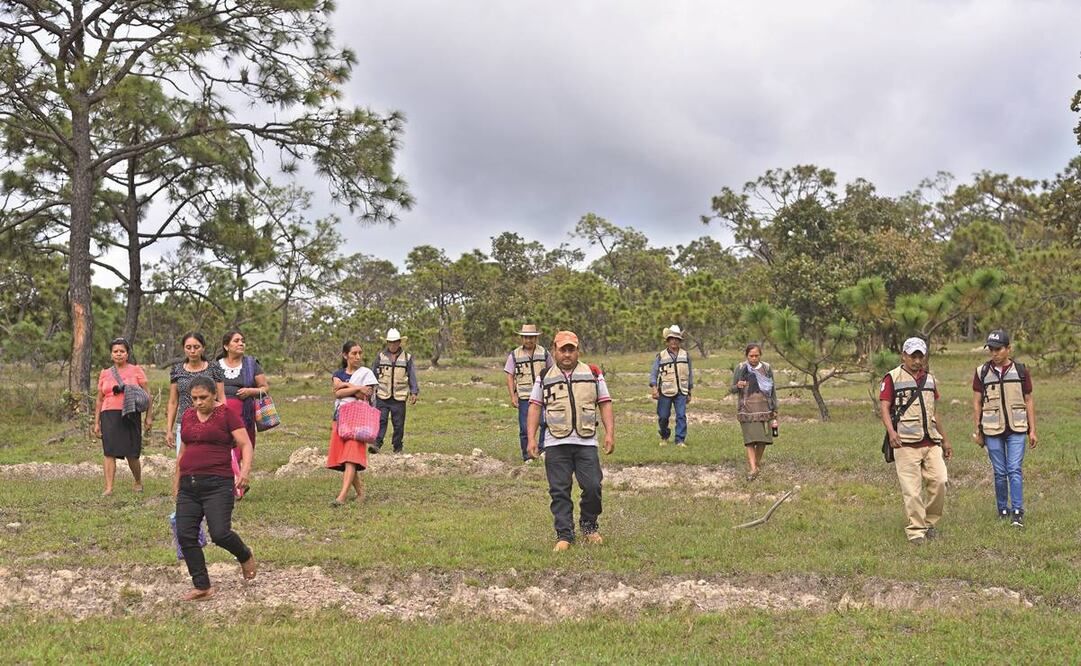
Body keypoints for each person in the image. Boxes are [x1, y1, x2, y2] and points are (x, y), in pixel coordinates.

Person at [526, 330, 615, 552]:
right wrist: (531, 439)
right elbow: (535, 407)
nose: (567, 354)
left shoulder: (593, 373)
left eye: (571, 350)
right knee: (559, 491)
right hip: (555, 442)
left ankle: (589, 527)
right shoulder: (544, 376)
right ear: (554, 350)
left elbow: (604, 402)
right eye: (562, 350)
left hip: (586, 442)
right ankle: (564, 535)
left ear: (578, 351)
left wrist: (609, 433)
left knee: (593, 486)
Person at [173, 375, 256, 600]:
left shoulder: (226, 414)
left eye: (203, 397)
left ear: (214, 395)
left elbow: (245, 444)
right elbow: (183, 451)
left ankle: (244, 554)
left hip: (218, 484)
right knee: (185, 534)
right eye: (194, 398)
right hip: (189, 484)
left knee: (220, 533)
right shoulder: (188, 415)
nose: (198, 402)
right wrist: (176, 483)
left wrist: (245, 472)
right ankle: (202, 586)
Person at [879, 337, 952, 544]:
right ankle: (916, 531)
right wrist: (891, 433)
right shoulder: (892, 377)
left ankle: (929, 523)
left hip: (931, 441)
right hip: (905, 443)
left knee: (940, 481)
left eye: (921, 356)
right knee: (912, 490)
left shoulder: (929, 379)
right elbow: (884, 407)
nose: (917, 361)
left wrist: (945, 440)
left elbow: (934, 412)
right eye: (913, 356)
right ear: (904, 355)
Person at [971, 329, 1037, 527]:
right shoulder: (982, 372)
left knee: (1014, 469)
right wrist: (978, 431)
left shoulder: (1021, 370)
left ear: (1009, 348)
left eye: (998, 349)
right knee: (1000, 472)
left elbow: (1028, 400)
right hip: (992, 429)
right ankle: (1002, 510)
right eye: (991, 349)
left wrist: (1032, 430)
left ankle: (1017, 512)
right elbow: (977, 403)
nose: (994, 353)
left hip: (1017, 428)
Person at [94, 337, 152, 496]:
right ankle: (109, 488)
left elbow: (147, 396)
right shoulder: (105, 373)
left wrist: (149, 417)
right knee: (109, 451)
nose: (118, 354)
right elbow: (99, 399)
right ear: (111, 354)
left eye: (122, 351)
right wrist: (96, 422)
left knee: (131, 452)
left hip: (130, 414)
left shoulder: (136, 370)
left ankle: (138, 481)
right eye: (115, 351)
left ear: (127, 354)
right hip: (108, 414)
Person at [216, 329, 269, 495]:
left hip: (244, 415)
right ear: (226, 346)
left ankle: (238, 484)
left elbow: (265, 388)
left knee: (241, 448)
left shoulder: (251, 364)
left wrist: (251, 391)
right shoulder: (216, 365)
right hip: (221, 413)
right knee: (225, 449)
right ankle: (235, 487)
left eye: (242, 340)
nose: (241, 343)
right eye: (236, 341)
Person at [327, 340, 378, 506]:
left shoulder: (367, 373)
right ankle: (361, 494)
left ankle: (341, 497)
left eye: (360, 353)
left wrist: (347, 386)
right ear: (345, 355)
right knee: (346, 457)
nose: (358, 356)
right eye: (354, 353)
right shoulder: (337, 374)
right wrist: (357, 388)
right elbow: (338, 394)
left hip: (358, 420)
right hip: (340, 418)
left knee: (351, 457)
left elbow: (365, 395)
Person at [166, 332, 226, 455]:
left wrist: (224, 420)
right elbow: (173, 401)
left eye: (196, 347)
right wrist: (169, 429)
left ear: (203, 348)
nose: (192, 351)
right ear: (183, 348)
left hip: (211, 421)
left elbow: (221, 397)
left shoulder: (214, 368)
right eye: (188, 347)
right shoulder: (177, 370)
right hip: (185, 422)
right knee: (184, 459)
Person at [504, 323, 553, 463]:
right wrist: (513, 396)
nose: (528, 340)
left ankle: (543, 450)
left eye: (531, 337)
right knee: (525, 428)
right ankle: (528, 456)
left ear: (536, 338)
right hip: (525, 397)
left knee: (545, 423)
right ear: (522, 338)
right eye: (526, 337)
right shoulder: (514, 355)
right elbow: (510, 376)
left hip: (543, 396)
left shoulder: (544, 353)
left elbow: (553, 371)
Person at [731, 343, 778, 481]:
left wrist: (775, 408)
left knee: (763, 439)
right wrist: (738, 386)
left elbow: (772, 389)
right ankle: (753, 468)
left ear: (760, 355)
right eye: (751, 356)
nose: (754, 358)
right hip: (746, 410)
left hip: (765, 409)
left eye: (756, 355)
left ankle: (756, 464)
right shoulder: (741, 368)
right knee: (750, 441)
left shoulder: (767, 368)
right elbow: (732, 388)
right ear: (747, 356)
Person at [370, 328, 419, 454]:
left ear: (399, 342)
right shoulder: (380, 356)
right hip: (382, 395)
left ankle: (397, 446)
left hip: (399, 397)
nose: (393, 344)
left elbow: (412, 375)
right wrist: (369, 389)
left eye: (395, 342)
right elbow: (373, 374)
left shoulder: (407, 357)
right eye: (390, 342)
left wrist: (414, 392)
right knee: (381, 420)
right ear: (387, 343)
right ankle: (376, 444)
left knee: (398, 424)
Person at [650, 325, 693, 448]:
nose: (674, 341)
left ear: (680, 341)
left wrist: (689, 391)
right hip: (665, 391)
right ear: (667, 341)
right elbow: (654, 373)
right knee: (663, 416)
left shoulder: (686, 355)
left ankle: (680, 440)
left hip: (681, 391)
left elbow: (690, 374)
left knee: (681, 416)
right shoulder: (661, 355)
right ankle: (664, 435)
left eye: (676, 339)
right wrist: (654, 388)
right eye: (671, 339)